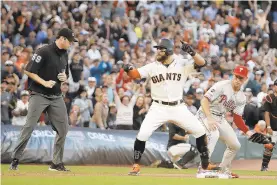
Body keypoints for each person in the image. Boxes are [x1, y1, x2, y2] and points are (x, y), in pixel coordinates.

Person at [123, 38, 219, 175]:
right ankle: (136, 165)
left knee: (200, 131)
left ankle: (205, 164)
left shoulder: (182, 64)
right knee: (143, 134)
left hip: (178, 107)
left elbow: (202, 63)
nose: (158, 52)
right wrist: (129, 69)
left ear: (168, 50)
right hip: (158, 107)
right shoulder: (153, 66)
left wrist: (192, 52)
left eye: (160, 49)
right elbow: (134, 75)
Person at [10, 28, 78, 171]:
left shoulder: (65, 54)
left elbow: (66, 74)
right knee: (29, 126)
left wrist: (64, 78)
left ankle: (56, 163)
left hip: (56, 96)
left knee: (63, 128)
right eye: (70, 41)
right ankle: (15, 159)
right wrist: (44, 82)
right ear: (63, 39)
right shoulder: (44, 51)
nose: (71, 44)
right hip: (39, 94)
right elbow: (28, 70)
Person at [196, 65, 256, 178]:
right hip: (205, 113)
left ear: (245, 79)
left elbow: (237, 118)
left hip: (220, 117)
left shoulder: (241, 97)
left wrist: (247, 132)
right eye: (237, 77)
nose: (238, 80)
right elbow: (204, 100)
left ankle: (222, 170)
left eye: (241, 78)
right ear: (233, 75)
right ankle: (203, 167)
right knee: (213, 134)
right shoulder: (222, 85)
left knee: (235, 145)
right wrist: (209, 118)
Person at [260, 79, 277, 171]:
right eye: (276, 85)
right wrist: (269, 126)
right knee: (269, 147)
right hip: (273, 127)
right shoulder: (270, 97)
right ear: (274, 86)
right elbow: (267, 113)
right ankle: (264, 166)